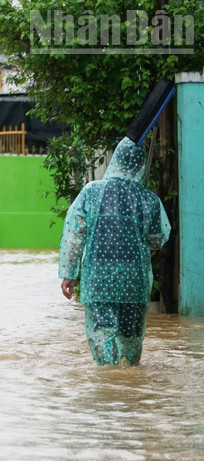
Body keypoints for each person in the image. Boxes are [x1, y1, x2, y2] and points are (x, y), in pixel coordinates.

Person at [59, 136, 170, 366]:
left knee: (101, 332)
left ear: (116, 159)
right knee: (131, 336)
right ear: (140, 165)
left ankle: (109, 379)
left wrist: (69, 273)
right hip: (134, 280)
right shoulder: (149, 199)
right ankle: (128, 378)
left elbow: (74, 233)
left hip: (99, 278)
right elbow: (157, 239)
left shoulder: (91, 192)